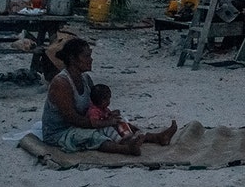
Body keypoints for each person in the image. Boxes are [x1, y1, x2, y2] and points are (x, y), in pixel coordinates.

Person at [41, 37, 176, 155]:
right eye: (87, 56)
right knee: (93, 135)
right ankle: (126, 149)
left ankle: (156, 137)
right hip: (59, 132)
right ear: (72, 59)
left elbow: (95, 106)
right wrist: (103, 122)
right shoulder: (61, 83)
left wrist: (108, 117)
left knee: (120, 124)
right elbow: (71, 118)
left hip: (81, 122)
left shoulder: (85, 79)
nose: (91, 59)